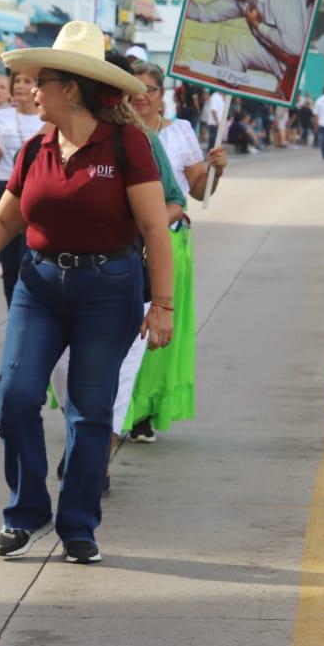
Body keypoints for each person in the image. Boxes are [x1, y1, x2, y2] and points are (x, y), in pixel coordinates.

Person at [0, 21, 173, 566]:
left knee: (89, 410)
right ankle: (26, 512)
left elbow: (154, 229)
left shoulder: (127, 144)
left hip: (108, 290)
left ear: (70, 87)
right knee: (16, 396)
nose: (30, 90)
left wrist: (162, 304)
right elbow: (7, 218)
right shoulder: (35, 147)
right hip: (40, 285)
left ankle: (78, 525)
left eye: (39, 81)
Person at [121, 59, 220, 444]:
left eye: (151, 89)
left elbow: (198, 191)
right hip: (122, 245)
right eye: (136, 87)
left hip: (168, 243)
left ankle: (143, 412)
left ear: (163, 96)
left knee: (158, 330)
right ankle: (115, 408)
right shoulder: (113, 132)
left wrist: (216, 170)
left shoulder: (179, 133)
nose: (143, 96)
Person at [0, 68, 45, 305]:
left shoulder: (46, 117)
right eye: (16, 81)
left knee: (27, 258)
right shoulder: (0, 117)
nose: (19, 85)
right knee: (8, 263)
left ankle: (30, 309)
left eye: (27, 80)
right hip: (4, 188)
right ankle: (14, 312)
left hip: (34, 191)